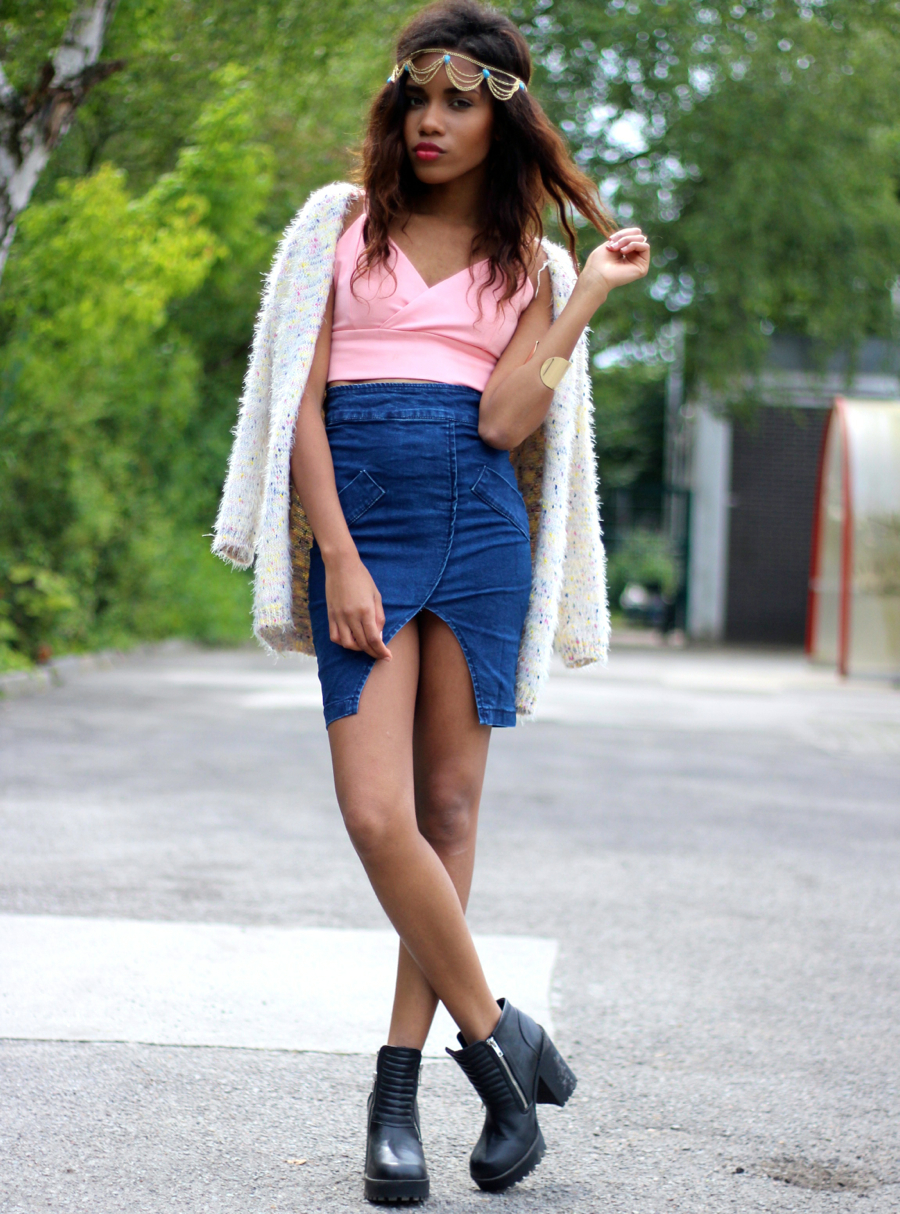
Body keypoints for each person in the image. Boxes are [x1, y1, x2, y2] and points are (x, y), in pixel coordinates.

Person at [211, 0, 649, 1202]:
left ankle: (397, 1096)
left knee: (447, 809)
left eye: (462, 102)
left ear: (504, 121)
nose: (433, 121)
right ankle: (503, 1040)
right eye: (421, 96)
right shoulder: (339, 223)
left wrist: (584, 295)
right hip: (364, 525)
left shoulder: (528, 260)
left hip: (480, 531)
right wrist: (338, 556)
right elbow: (298, 406)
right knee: (375, 811)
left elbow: (507, 421)